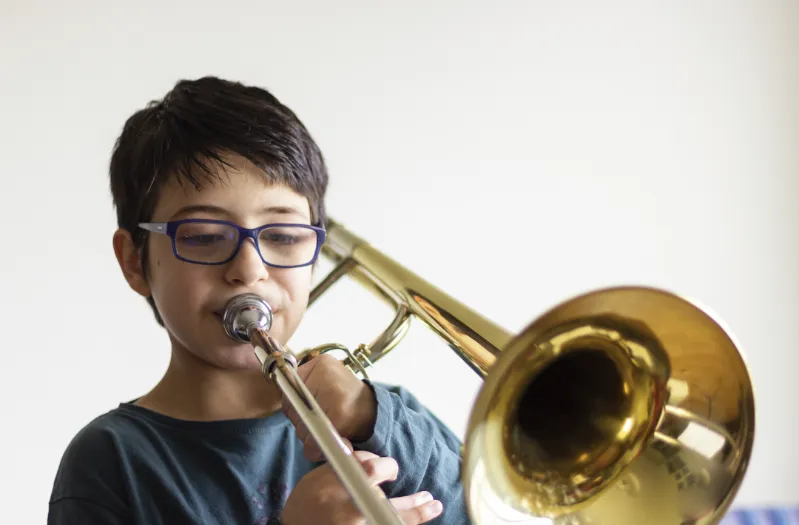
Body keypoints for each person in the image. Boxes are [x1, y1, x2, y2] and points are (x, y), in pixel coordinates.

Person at [47, 76, 470, 525]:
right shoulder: (112, 460)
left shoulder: (387, 420)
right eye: (205, 236)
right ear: (135, 261)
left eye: (284, 236)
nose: (249, 269)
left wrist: (373, 418)